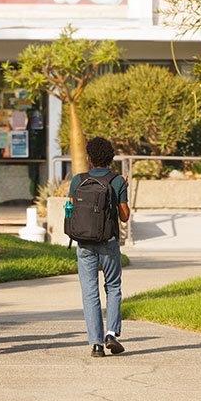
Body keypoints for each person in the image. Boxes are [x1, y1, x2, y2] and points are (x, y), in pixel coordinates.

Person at [71, 136, 131, 357]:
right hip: (108, 242)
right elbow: (124, 217)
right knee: (113, 287)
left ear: (89, 158)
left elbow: (71, 210)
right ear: (110, 158)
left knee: (89, 292)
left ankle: (96, 344)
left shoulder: (78, 181)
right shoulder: (117, 181)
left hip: (84, 243)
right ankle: (111, 333)